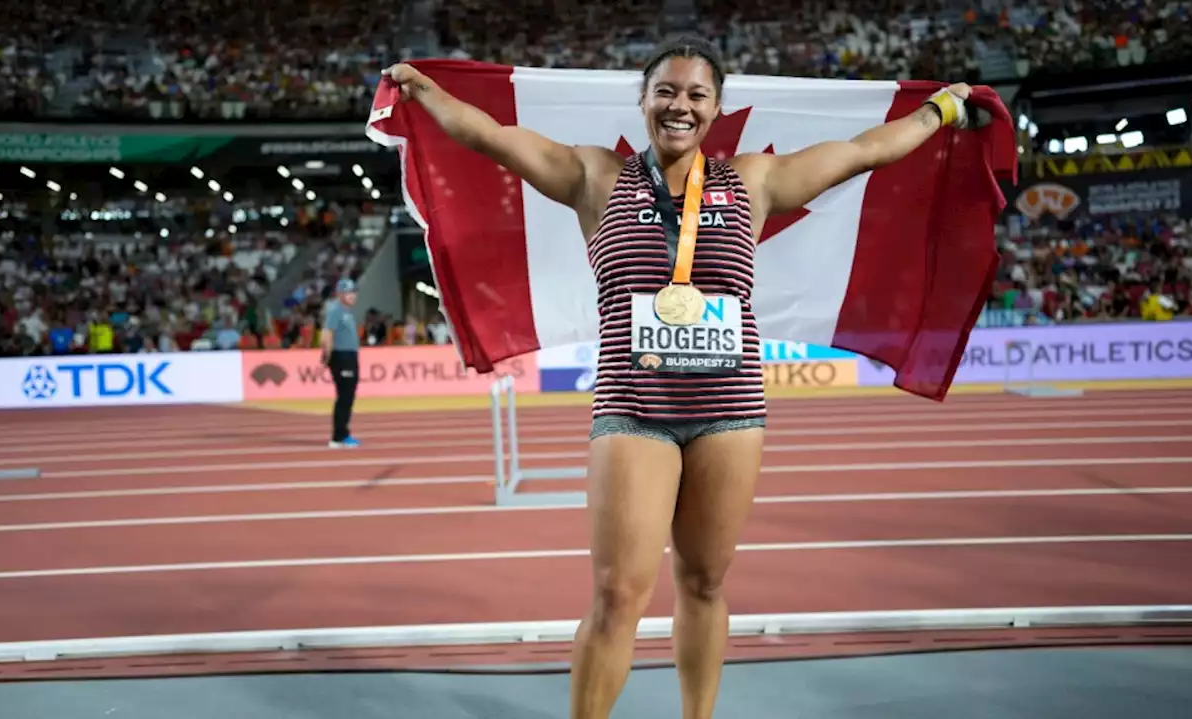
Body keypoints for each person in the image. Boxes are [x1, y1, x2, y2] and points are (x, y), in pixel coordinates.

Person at [384, 35, 974, 719]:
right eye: (666, 91)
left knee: (703, 581)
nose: (679, 105)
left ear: (717, 108)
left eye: (696, 94)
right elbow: (489, 137)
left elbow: (866, 151)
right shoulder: (595, 177)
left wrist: (943, 111)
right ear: (643, 101)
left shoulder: (752, 181)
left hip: (730, 414)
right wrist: (424, 91)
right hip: (634, 411)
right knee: (617, 595)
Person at [320, 278, 362, 448]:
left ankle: (343, 433)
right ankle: (339, 436)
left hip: (349, 356)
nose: (352, 296)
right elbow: (327, 333)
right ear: (340, 294)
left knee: (348, 395)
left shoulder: (346, 312)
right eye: (348, 293)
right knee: (344, 396)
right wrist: (327, 354)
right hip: (341, 356)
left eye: (353, 292)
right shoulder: (336, 311)